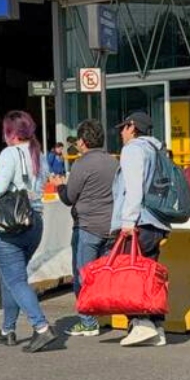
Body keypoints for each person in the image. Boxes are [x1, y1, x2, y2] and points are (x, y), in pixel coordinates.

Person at [0, 110, 57, 353]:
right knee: (14, 278)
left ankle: (41, 327)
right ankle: (7, 329)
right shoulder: (39, 154)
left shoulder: (10, 153)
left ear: (10, 133)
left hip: (8, 225)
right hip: (34, 223)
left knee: (15, 279)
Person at [55, 119, 119, 338]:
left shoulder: (81, 164)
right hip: (111, 227)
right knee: (103, 274)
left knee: (83, 275)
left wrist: (59, 185)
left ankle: (88, 322)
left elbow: (69, 197)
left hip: (87, 227)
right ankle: (104, 314)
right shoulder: (114, 162)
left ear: (82, 142)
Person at [113, 111, 170, 348]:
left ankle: (140, 323)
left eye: (123, 127)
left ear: (132, 127)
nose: (121, 133)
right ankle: (156, 327)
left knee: (131, 274)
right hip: (157, 222)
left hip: (138, 222)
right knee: (149, 275)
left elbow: (134, 188)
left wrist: (127, 222)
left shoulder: (134, 149)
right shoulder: (158, 151)